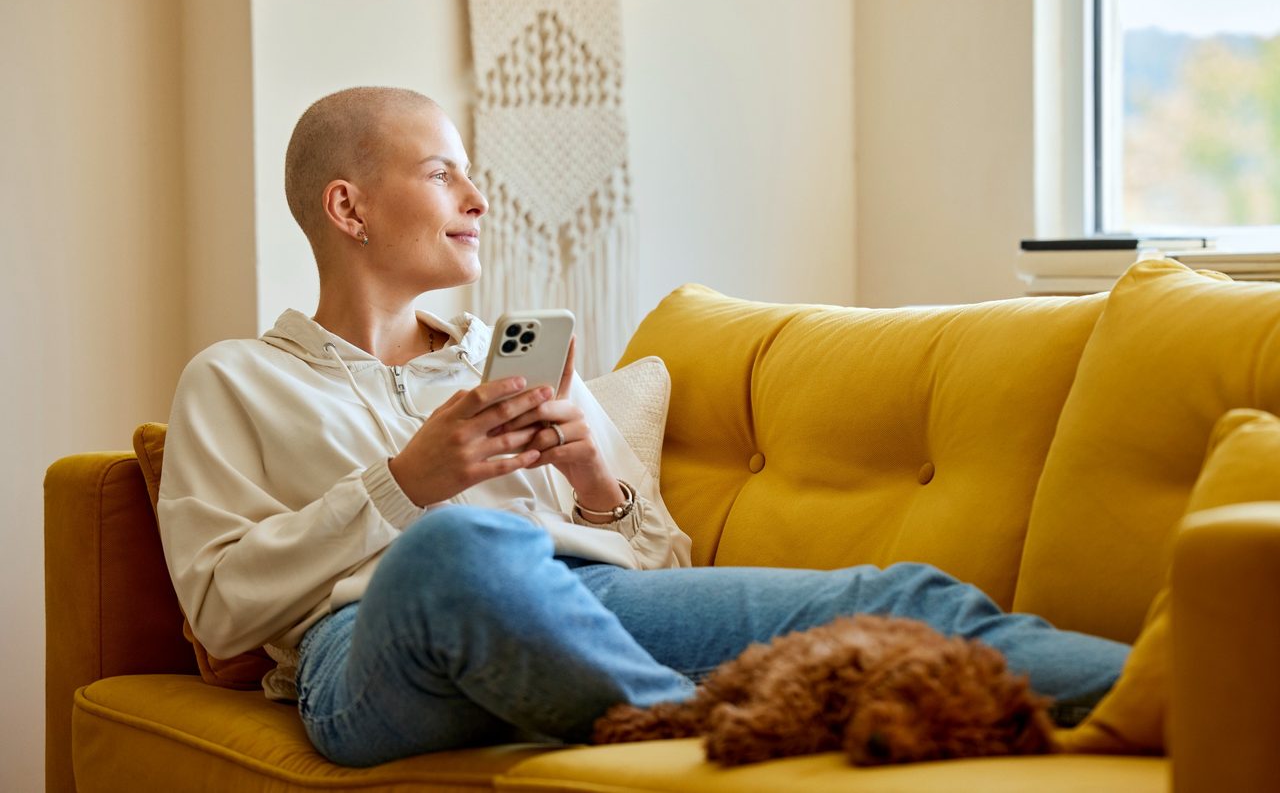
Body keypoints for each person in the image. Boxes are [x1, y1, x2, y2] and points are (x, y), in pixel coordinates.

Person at [156, 86, 1128, 768]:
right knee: (461, 547)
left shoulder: (502, 363)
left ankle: (1172, 689)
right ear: (347, 206)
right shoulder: (236, 381)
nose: (478, 199)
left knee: (897, 596)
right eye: (443, 174)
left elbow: (663, 563)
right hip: (372, 650)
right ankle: (706, 729)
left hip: (587, 604)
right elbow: (222, 609)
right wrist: (405, 483)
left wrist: (591, 474)